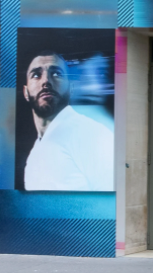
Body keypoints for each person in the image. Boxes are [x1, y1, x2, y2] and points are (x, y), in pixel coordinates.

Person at [21, 51, 114, 191]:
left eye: (56, 74)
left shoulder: (92, 134)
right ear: (26, 92)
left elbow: (112, 199)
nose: (46, 81)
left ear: (71, 88)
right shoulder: (35, 152)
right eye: (36, 75)